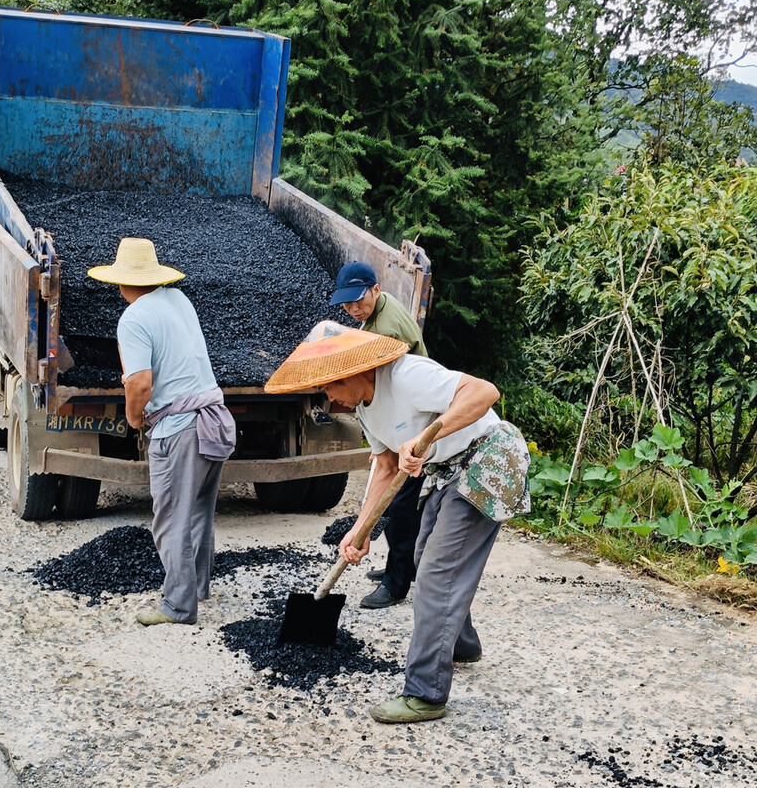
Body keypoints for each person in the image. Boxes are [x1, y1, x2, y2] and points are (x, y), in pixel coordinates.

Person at [265, 321, 529, 723]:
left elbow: (484, 392)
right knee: (424, 558)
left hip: (488, 458)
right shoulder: (366, 410)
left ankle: (425, 693)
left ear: (351, 372)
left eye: (330, 387)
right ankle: (460, 643)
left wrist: (432, 432)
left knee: (439, 573)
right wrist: (361, 529)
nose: (329, 399)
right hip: (448, 468)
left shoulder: (407, 375)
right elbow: (387, 465)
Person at [88, 237, 236, 627]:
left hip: (180, 427)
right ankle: (198, 587)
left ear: (119, 283)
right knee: (200, 510)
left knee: (170, 517)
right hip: (213, 418)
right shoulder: (178, 300)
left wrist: (134, 419)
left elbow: (139, 384)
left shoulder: (133, 318)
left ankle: (177, 606)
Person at [330, 262, 427, 610]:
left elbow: (378, 388)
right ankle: (403, 566)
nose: (353, 308)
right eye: (346, 303)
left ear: (376, 288)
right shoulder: (376, 314)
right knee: (404, 506)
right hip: (398, 426)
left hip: (415, 429)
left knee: (398, 505)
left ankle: (396, 582)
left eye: (358, 299)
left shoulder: (384, 331)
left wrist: (384, 441)